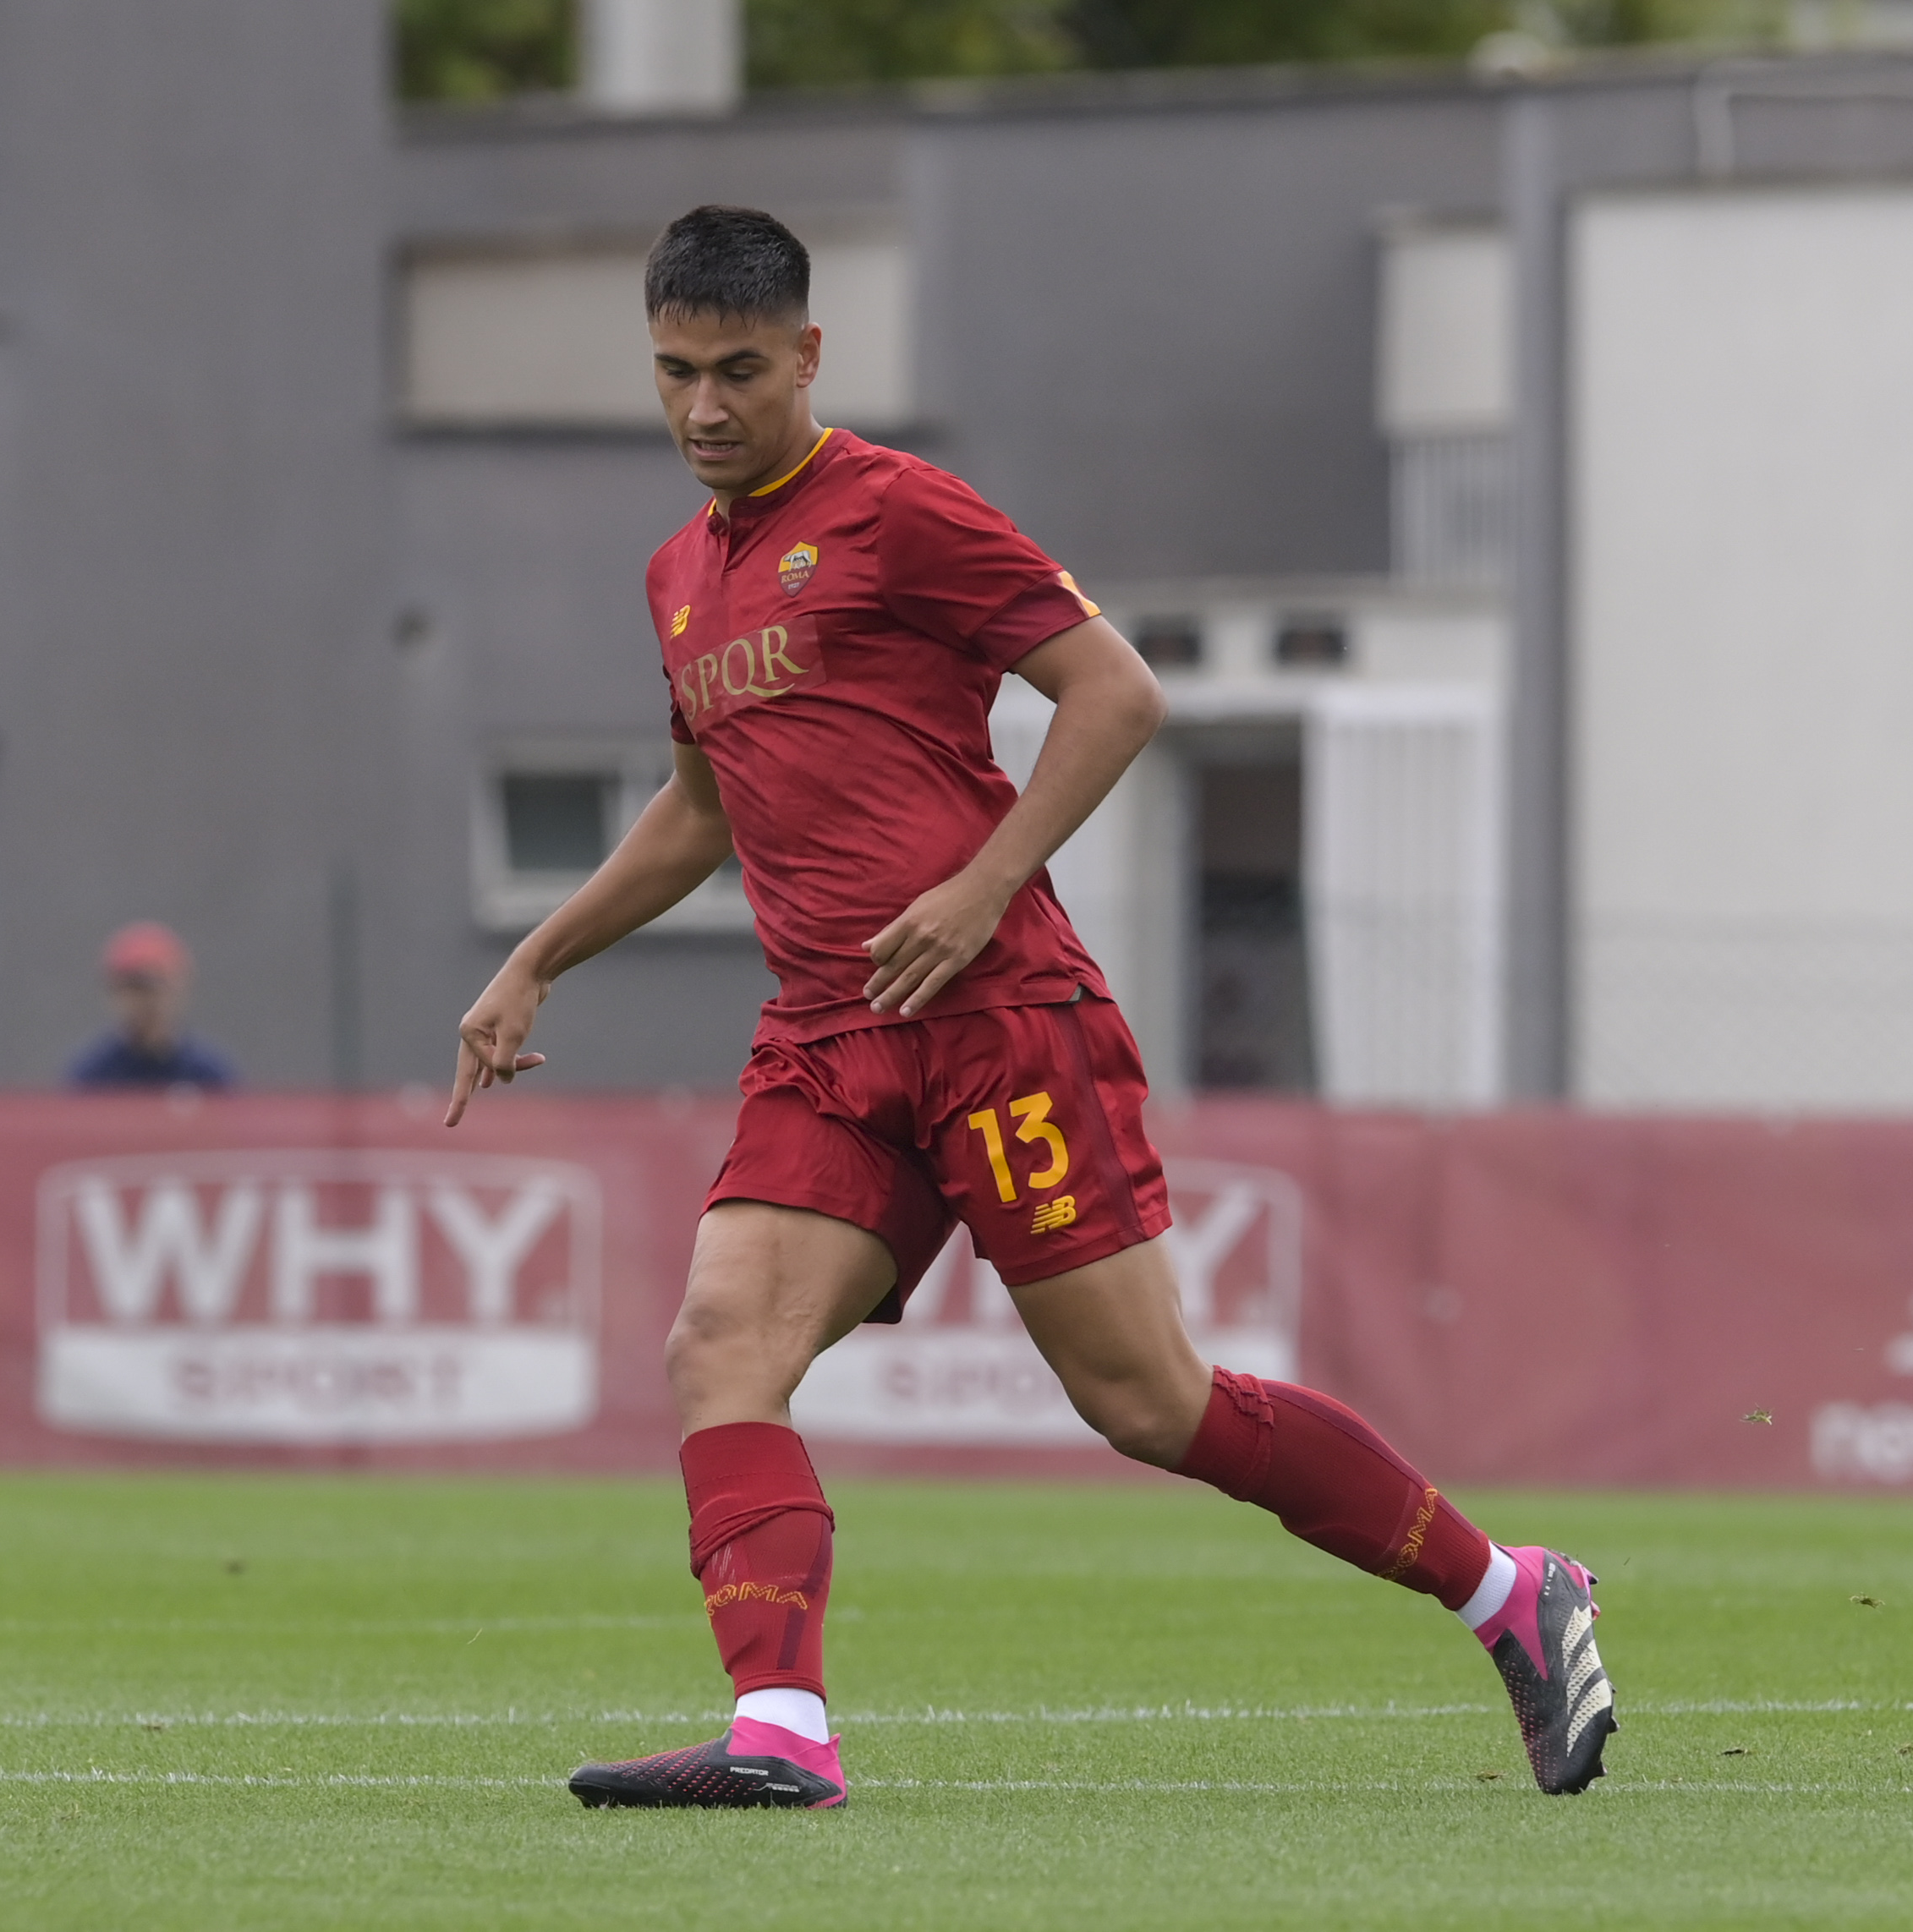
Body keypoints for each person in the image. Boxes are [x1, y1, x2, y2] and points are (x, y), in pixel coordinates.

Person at [446, 205, 1614, 1810]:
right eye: (671, 375)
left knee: (1151, 1405)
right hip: (827, 1035)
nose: (703, 409)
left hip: (999, 1014)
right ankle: (779, 1731)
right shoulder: (678, 575)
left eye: (735, 372)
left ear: (805, 356)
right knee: (718, 1345)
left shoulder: (897, 510)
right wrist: (534, 959)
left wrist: (986, 881)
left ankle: (1508, 1591)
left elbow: (1116, 691)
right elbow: (701, 814)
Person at [66, 922, 238, 1092]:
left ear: (179, 989)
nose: (143, 1002)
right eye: (132, 989)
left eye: (153, 989)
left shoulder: (208, 1076)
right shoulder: (91, 1078)